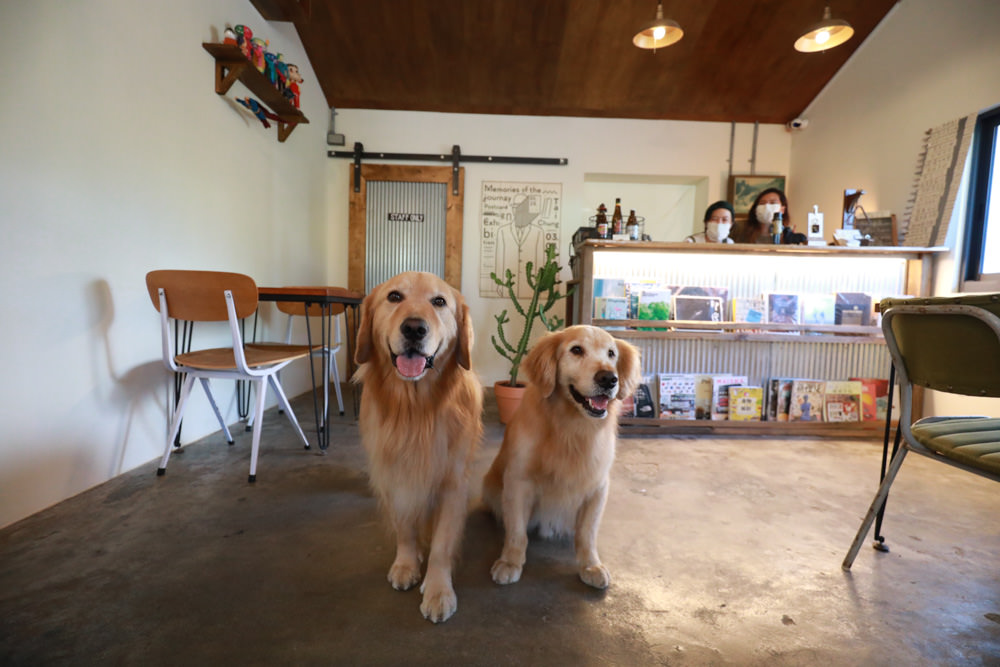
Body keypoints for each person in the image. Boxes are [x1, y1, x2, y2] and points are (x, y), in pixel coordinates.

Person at [729, 188, 805, 244]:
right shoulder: (739, 228)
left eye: (772, 203)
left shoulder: (787, 236)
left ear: (782, 209)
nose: (767, 206)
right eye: (762, 203)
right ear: (756, 209)